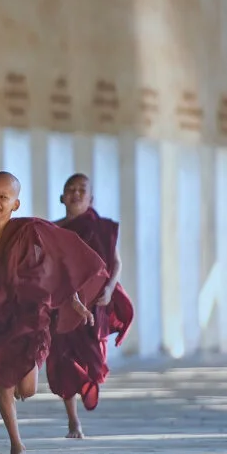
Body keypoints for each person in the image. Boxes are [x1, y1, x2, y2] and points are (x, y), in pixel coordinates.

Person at [0, 171, 109, 454]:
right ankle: (16, 446)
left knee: (28, 390)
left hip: (29, 319)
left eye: (2, 197)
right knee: (3, 385)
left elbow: (56, 270)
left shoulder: (30, 232)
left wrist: (75, 303)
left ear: (16, 205)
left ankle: (24, 388)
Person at [47, 173, 134, 437]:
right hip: (64, 304)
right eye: (70, 189)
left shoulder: (102, 228)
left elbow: (115, 263)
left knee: (94, 362)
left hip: (96, 303)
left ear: (91, 198)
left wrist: (108, 291)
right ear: (61, 197)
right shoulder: (54, 230)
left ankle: (89, 383)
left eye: (81, 189)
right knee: (63, 359)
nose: (75, 193)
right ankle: (73, 420)